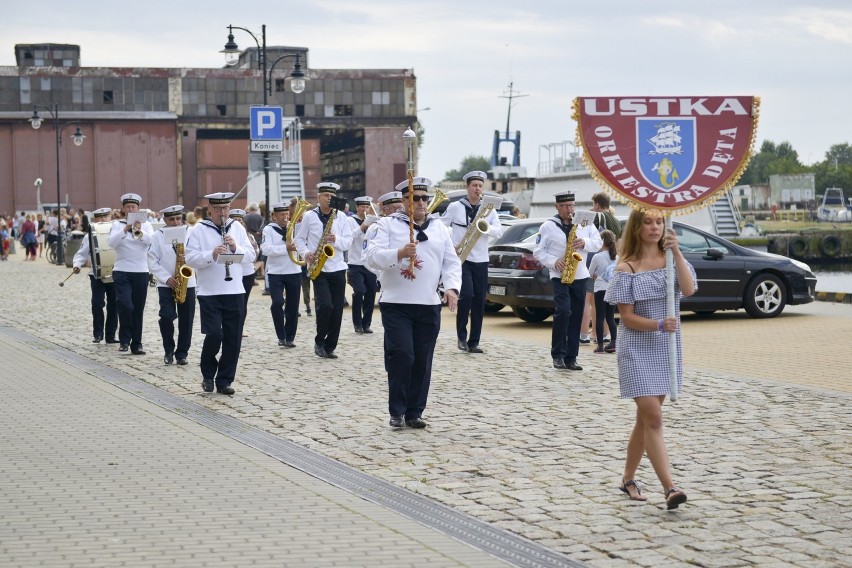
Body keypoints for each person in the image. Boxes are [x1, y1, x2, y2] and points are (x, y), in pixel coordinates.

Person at [605, 208, 696, 510]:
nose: (655, 227)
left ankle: (628, 478)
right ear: (637, 227)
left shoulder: (670, 261)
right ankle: (670, 488)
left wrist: (678, 253)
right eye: (648, 222)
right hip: (636, 348)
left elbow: (689, 288)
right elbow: (626, 318)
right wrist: (658, 324)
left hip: (665, 349)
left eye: (659, 222)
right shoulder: (626, 269)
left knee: (645, 420)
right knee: (654, 417)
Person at [365, 176, 461, 429]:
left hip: (428, 303)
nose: (420, 203)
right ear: (404, 201)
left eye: (424, 198)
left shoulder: (439, 228)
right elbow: (371, 257)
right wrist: (399, 253)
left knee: (422, 359)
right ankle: (396, 410)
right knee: (402, 355)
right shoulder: (387, 226)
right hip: (396, 303)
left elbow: (451, 261)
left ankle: (414, 411)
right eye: (415, 198)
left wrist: (451, 287)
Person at [185, 192, 256, 395]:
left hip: (234, 290)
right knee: (215, 333)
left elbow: (251, 255)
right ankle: (208, 373)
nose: (222, 213)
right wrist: (211, 255)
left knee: (233, 338)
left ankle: (224, 380)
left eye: (225, 208)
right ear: (210, 210)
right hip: (209, 291)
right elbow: (190, 258)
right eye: (218, 209)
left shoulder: (238, 228)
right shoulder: (199, 230)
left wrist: (235, 248)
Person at [533, 191, 602, 371]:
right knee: (563, 312)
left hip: (579, 274)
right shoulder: (548, 226)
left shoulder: (584, 223)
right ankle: (558, 355)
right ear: (557, 207)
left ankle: (572, 357)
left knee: (576, 316)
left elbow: (598, 242)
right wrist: (554, 262)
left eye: (571, 205)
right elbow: (538, 251)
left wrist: (584, 242)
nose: (568, 209)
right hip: (559, 275)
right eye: (564, 206)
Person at [440, 171, 503, 353]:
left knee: (479, 301)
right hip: (462, 259)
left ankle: (474, 341)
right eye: (474, 185)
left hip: (481, 260)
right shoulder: (455, 207)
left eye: (480, 186)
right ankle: (461, 336)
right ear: (467, 187)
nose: (477, 189)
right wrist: (451, 245)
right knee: (466, 296)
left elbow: (498, 231)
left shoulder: (488, 209)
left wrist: (486, 227)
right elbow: (442, 226)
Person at [295, 182, 353, 359]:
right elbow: (299, 240)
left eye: (332, 196)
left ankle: (330, 346)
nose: (329, 198)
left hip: (337, 267)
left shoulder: (341, 217)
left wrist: (336, 240)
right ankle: (319, 341)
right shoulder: (309, 216)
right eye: (326, 195)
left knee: (337, 309)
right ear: (318, 197)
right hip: (318, 268)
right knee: (325, 306)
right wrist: (306, 254)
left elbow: (348, 242)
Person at [147, 205, 196, 366]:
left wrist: (187, 256)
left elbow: (198, 255)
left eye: (178, 219)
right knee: (167, 316)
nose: (175, 222)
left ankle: (182, 353)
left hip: (187, 282)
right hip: (166, 283)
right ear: (164, 220)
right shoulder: (157, 236)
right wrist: (166, 278)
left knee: (186, 320)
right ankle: (169, 349)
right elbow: (152, 261)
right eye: (171, 219)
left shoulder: (190, 233)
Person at [108, 193, 153, 355]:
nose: (131, 209)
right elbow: (111, 243)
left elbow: (151, 242)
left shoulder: (146, 225)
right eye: (128, 207)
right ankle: (124, 339)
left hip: (140, 271)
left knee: (138, 309)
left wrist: (140, 231)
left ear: (138, 209)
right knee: (125, 305)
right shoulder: (116, 224)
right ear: (123, 209)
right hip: (121, 270)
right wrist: (125, 229)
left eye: (134, 207)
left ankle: (137, 343)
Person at [72, 208, 119, 344]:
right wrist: (77, 264)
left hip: (114, 273)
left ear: (110, 217)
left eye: (106, 217)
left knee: (113, 305)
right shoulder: (90, 236)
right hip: (96, 274)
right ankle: (98, 334)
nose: (103, 220)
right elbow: (81, 253)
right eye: (100, 217)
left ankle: (111, 335)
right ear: (95, 219)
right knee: (97, 303)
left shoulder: (117, 233)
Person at [261, 201, 302, 348]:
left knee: (292, 307)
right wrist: (286, 248)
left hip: (294, 271)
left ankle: (289, 337)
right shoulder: (269, 229)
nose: (285, 217)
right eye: (281, 214)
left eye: (286, 214)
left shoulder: (296, 228)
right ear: (274, 216)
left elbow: (303, 245)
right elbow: (266, 249)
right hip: (276, 272)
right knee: (277, 302)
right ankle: (281, 335)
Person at [348, 196, 380, 333]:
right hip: (355, 262)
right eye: (362, 206)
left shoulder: (374, 221)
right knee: (360, 290)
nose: (365, 209)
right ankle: (357, 323)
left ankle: (366, 323)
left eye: (367, 207)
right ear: (357, 207)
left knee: (371, 293)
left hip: (370, 263)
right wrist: (362, 227)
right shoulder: (350, 220)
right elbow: (349, 237)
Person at [229, 208, 259, 337]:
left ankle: (240, 327)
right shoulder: (227, 235)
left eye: (240, 220)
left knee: (243, 302)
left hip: (247, 272)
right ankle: (230, 326)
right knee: (232, 302)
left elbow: (255, 253)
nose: (238, 222)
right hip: (234, 272)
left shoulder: (249, 236)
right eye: (235, 220)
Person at [588, 229, 618, 354]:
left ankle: (600, 345)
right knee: (610, 317)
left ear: (601, 242)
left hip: (600, 288)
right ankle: (613, 343)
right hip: (612, 288)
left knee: (600, 317)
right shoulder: (617, 257)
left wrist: (595, 275)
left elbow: (590, 273)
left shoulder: (597, 256)